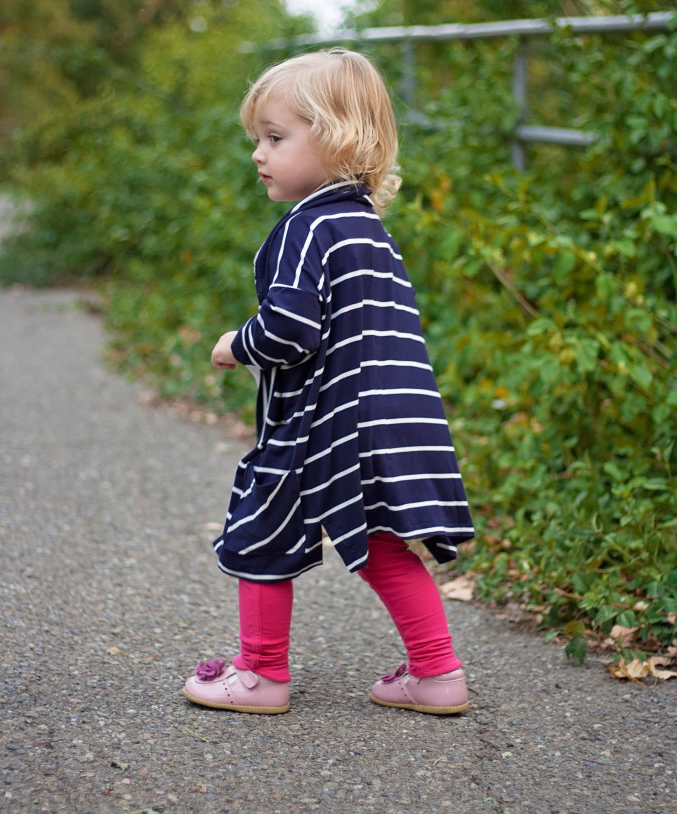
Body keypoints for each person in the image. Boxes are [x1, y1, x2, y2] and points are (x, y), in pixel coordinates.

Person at [183, 48, 474, 715]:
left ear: (340, 139)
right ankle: (436, 674)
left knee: (258, 525)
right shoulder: (366, 229)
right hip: (390, 412)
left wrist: (236, 345)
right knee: (379, 543)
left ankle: (258, 675)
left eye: (276, 138)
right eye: (258, 138)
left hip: (324, 419)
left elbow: (290, 330)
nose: (258, 154)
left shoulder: (305, 227)